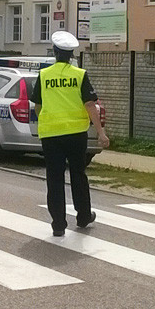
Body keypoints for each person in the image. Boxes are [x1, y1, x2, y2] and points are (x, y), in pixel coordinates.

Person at [31, 31, 110, 237]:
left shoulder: (44, 75)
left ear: (55, 52)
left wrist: (47, 119)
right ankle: (83, 216)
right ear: (72, 54)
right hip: (76, 134)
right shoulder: (80, 75)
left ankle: (58, 223)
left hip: (51, 135)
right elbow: (90, 104)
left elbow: (37, 105)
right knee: (78, 175)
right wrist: (100, 132)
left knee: (54, 178)